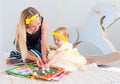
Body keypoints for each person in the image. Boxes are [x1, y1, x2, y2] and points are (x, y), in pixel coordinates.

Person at [42, 26, 120, 72]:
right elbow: (58, 50)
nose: (55, 41)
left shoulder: (64, 47)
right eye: (54, 39)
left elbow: (58, 55)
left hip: (70, 60)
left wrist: (49, 64)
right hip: (68, 57)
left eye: (58, 40)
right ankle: (99, 59)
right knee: (87, 59)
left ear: (65, 39)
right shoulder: (63, 45)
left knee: (87, 60)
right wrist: (54, 48)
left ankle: (111, 57)